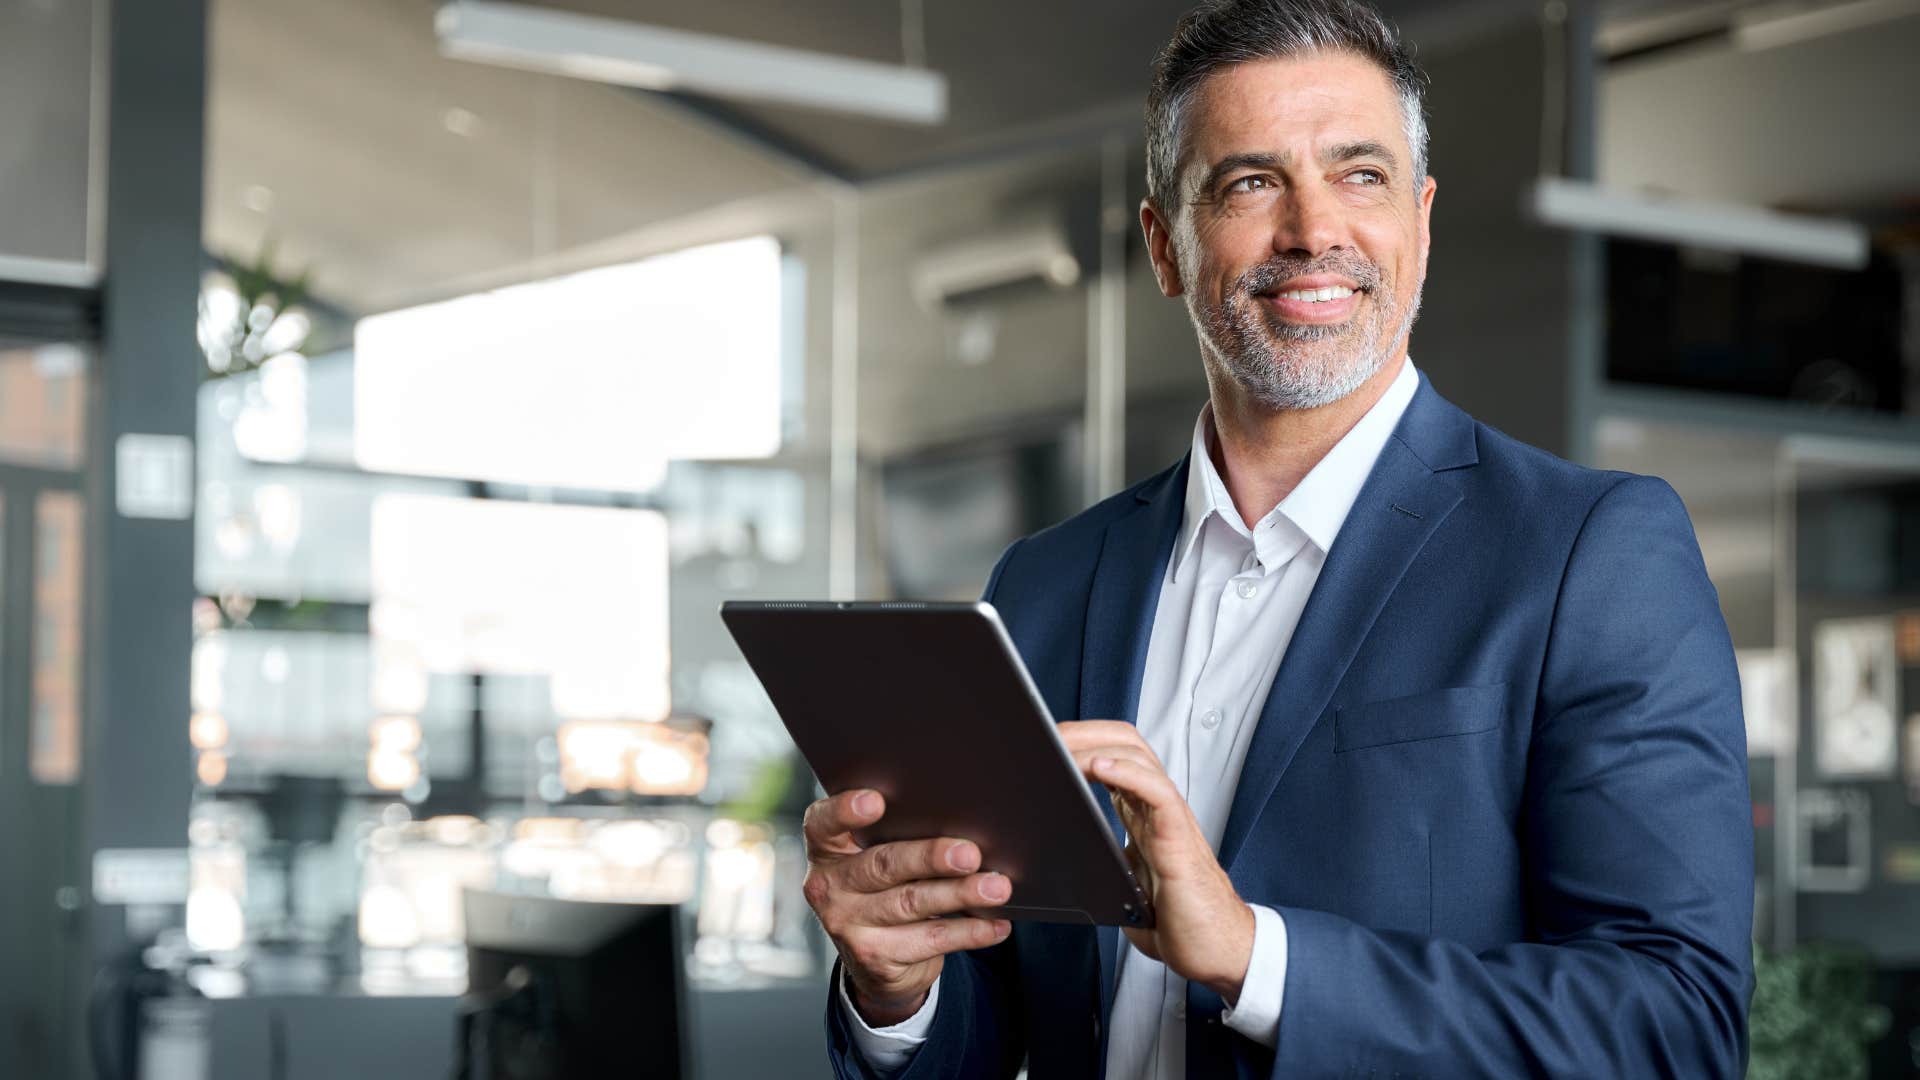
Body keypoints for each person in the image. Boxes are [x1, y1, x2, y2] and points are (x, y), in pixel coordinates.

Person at [802, 0, 1754, 1075]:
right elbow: (1004, 1019)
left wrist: (1261, 961)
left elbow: (1675, 1024)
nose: (1313, 229)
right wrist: (901, 987)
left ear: (1422, 223)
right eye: (1250, 182)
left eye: (1361, 175)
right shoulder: (1048, 583)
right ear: (1166, 246)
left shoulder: (1590, 551)